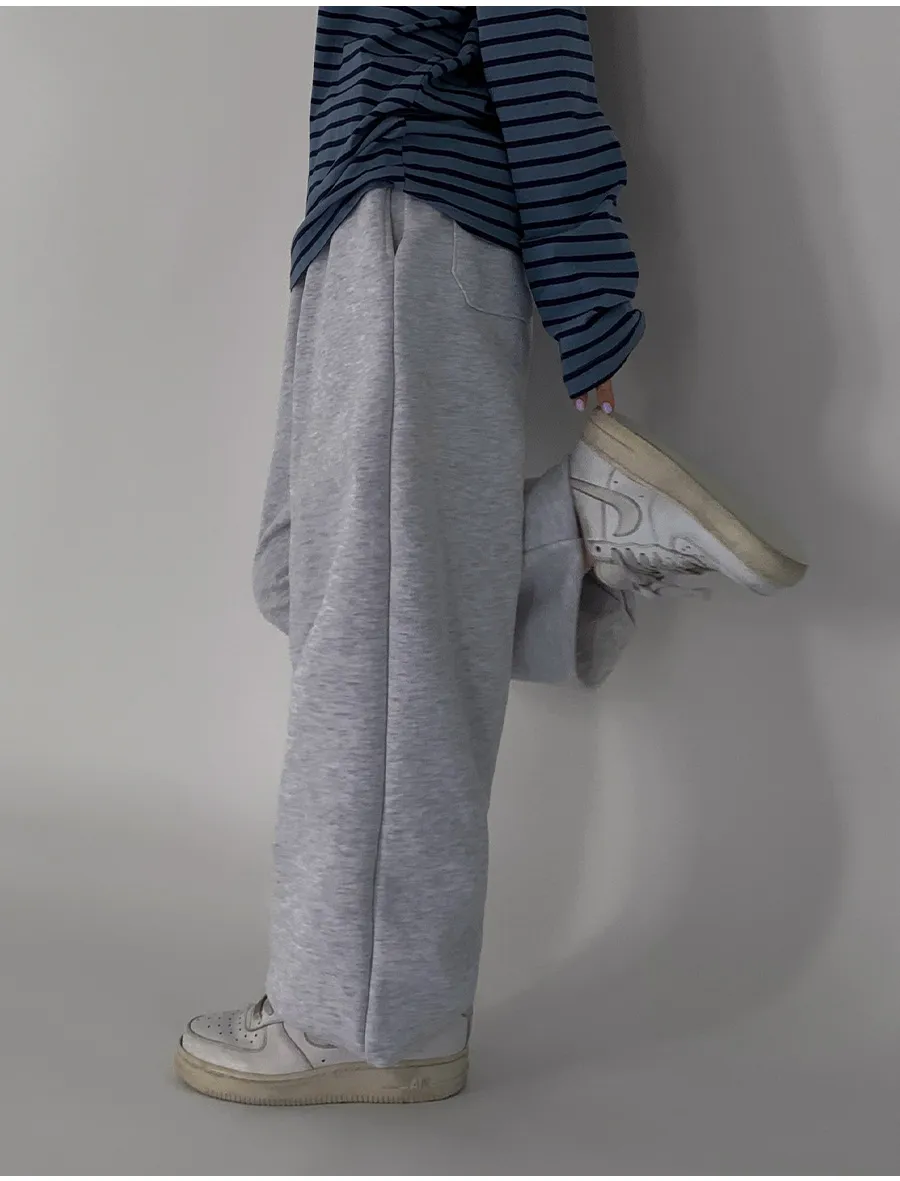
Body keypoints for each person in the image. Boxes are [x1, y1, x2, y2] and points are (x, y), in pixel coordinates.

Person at [174, 6, 805, 1106]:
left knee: (377, 640)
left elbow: (543, 68)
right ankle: (586, 528)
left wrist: (591, 319)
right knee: (303, 575)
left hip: (412, 228)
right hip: (351, 240)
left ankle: (363, 1019)